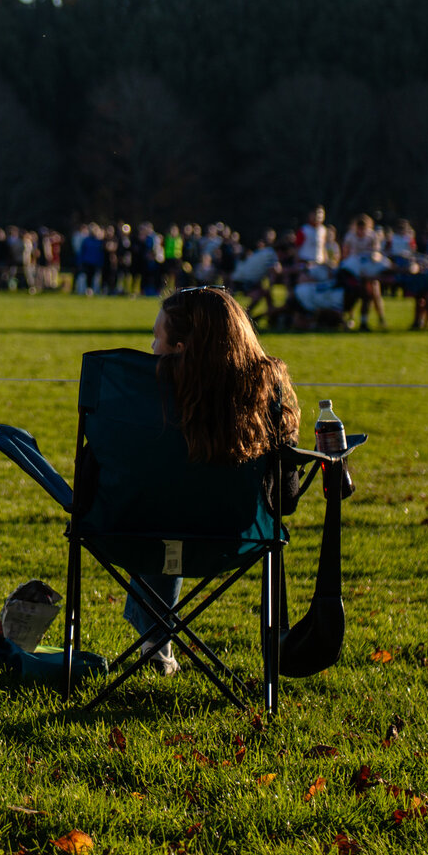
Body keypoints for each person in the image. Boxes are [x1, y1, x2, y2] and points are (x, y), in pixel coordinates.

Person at [114, 286, 301, 676]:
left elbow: (106, 478)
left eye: (157, 337)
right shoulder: (268, 390)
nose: (151, 348)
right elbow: (287, 496)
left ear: (182, 347)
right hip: (238, 539)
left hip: (135, 533)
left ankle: (154, 643)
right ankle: (156, 645)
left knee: (164, 508)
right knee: (174, 507)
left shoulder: (141, 394)